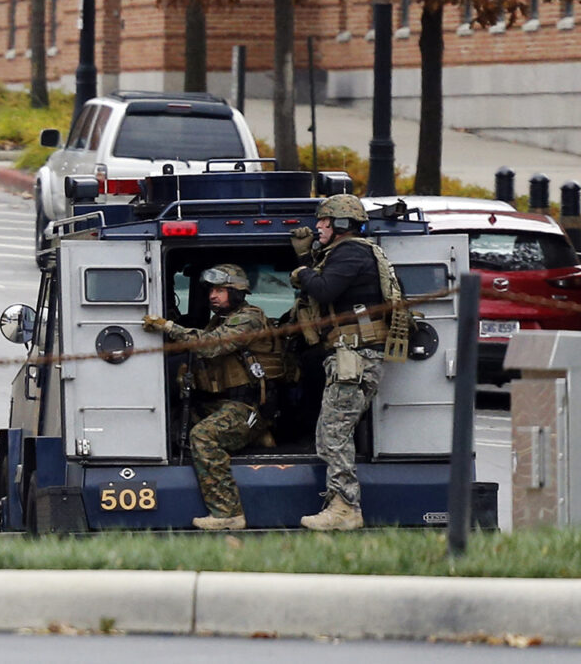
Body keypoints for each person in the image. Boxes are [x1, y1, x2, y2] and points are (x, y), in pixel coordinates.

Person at [289, 193, 406, 531]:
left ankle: (345, 507)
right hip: (352, 356)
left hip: (354, 357)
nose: (318, 227)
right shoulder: (353, 253)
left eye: (324, 222)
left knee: (333, 433)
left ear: (342, 224)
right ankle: (340, 504)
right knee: (333, 431)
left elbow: (324, 289)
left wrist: (302, 270)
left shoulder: (351, 252)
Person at [142, 263, 287, 531]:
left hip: (247, 407)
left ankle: (227, 513)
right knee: (170, 424)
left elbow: (210, 346)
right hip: (224, 404)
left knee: (203, 436)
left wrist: (168, 327)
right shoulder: (219, 321)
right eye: (211, 290)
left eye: (220, 290)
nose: (213, 296)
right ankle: (257, 438)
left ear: (237, 292)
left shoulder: (249, 318)